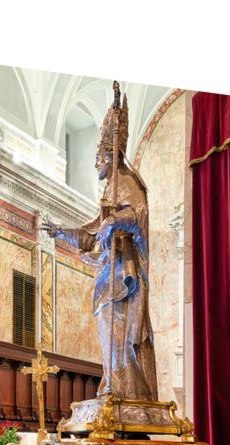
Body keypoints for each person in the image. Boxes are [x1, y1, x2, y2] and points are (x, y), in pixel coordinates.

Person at [43, 81, 158, 401]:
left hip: (125, 276)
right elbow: (89, 235)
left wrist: (116, 220)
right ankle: (113, 383)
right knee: (107, 332)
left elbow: (138, 214)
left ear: (112, 153)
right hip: (108, 273)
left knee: (119, 335)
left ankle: (125, 390)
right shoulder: (108, 191)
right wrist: (61, 232)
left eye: (100, 155)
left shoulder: (129, 184)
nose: (96, 161)